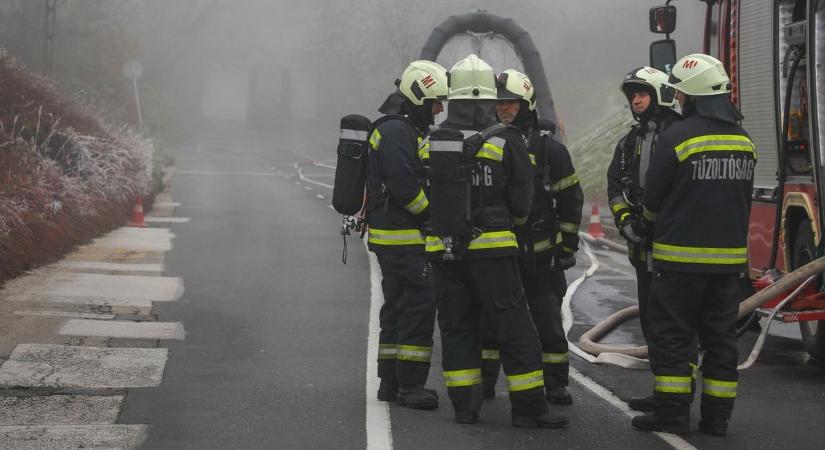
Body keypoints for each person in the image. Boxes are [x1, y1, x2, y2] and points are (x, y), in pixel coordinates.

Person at [426, 54, 568, 428]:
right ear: (488, 100)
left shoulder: (431, 143)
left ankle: (465, 408)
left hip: (443, 252)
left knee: (456, 328)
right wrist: (511, 225)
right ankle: (528, 409)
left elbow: (426, 197)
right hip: (493, 252)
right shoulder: (507, 141)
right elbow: (523, 200)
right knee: (514, 327)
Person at [631, 54, 756, 436]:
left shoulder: (677, 137)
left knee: (673, 336)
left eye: (682, 94)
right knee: (720, 340)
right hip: (728, 268)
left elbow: (653, 199)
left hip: (679, 264)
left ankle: (671, 414)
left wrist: (644, 227)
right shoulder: (744, 141)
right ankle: (717, 418)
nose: (679, 100)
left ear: (695, 95)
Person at [481, 69, 583, 405]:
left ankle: (555, 385)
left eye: (510, 102)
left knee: (548, 323)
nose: (503, 108)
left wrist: (566, 247)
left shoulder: (549, 149)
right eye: (499, 103)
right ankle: (484, 383)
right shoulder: (487, 141)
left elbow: (571, 198)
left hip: (541, 257)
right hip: (501, 253)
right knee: (492, 322)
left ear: (525, 103)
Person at [366, 60, 448, 410]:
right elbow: (404, 187)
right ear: (418, 98)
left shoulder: (396, 128)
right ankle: (411, 385)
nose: (440, 109)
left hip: (391, 237)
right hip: (404, 238)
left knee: (397, 306)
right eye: (435, 102)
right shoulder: (399, 132)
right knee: (419, 304)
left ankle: (389, 381)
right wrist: (433, 215)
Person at [605, 66, 682, 412]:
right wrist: (627, 224)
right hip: (642, 249)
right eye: (632, 95)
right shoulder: (629, 143)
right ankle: (663, 392)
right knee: (653, 323)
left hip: (674, 250)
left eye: (643, 93)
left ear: (661, 95)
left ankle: (676, 398)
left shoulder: (680, 135)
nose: (636, 100)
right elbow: (615, 187)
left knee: (674, 326)